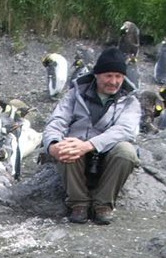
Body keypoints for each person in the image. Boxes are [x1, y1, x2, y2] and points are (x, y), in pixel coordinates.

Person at [42, 47, 141, 225]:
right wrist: (53, 146)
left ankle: (103, 205)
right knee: (66, 146)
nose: (114, 81)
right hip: (77, 155)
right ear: (96, 74)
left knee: (127, 152)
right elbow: (56, 122)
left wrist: (89, 145)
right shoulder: (75, 94)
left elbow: (125, 130)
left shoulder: (130, 101)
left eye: (118, 76)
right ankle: (78, 203)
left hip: (109, 153)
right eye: (108, 75)